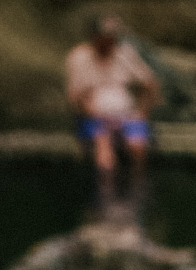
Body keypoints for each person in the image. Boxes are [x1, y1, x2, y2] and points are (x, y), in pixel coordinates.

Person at [65, 14, 159, 190]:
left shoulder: (124, 53)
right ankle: (105, 193)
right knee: (104, 149)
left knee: (137, 145)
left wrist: (141, 112)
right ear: (94, 37)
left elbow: (150, 85)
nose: (110, 42)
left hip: (127, 115)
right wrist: (96, 115)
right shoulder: (79, 57)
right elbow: (76, 97)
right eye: (106, 38)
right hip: (94, 117)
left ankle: (138, 189)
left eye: (113, 38)